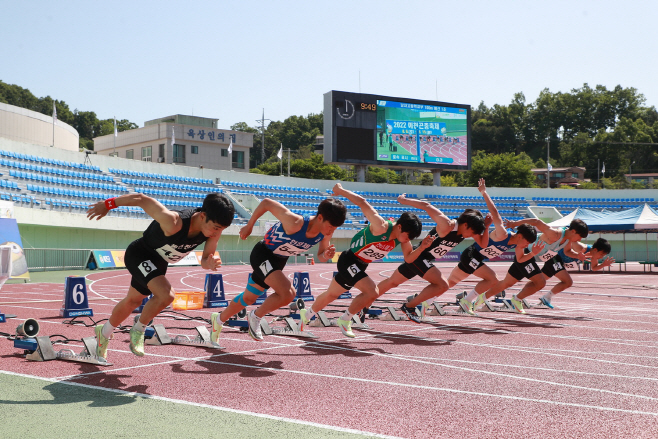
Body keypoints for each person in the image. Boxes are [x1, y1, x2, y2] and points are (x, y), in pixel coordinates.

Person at [87, 193, 235, 359]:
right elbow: (142, 200)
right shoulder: (174, 222)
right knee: (166, 295)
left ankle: (103, 333)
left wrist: (211, 262)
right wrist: (108, 204)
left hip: (158, 263)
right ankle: (138, 330)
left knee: (133, 301)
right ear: (203, 216)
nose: (217, 232)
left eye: (221, 229)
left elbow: (205, 260)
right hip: (139, 255)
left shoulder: (214, 230)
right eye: (216, 227)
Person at [210, 195, 347, 342]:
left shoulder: (325, 232)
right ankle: (255, 316)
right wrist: (250, 225)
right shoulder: (295, 223)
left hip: (278, 261)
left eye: (335, 228)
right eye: (331, 226)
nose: (331, 230)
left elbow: (320, 256)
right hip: (262, 255)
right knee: (288, 293)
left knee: (249, 297)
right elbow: (266, 203)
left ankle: (217, 321)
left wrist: (326, 255)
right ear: (320, 218)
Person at [300, 184, 429, 337]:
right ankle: (346, 318)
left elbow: (409, 258)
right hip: (349, 260)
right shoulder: (380, 226)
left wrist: (421, 248)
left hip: (361, 265)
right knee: (372, 292)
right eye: (408, 236)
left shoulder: (403, 240)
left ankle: (305, 317)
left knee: (331, 294)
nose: (408, 240)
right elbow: (362, 202)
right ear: (399, 227)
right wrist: (341, 191)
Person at [370, 193, 488, 324]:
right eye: (472, 233)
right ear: (465, 225)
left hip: (423, 259)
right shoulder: (447, 226)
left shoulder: (464, 230)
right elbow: (427, 206)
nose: (472, 236)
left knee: (392, 282)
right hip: (419, 256)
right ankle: (409, 307)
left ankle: (363, 303)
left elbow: (482, 244)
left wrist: (486, 226)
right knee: (442, 285)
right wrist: (403, 201)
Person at [447, 179, 539, 315]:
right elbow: (495, 213)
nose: (526, 246)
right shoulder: (502, 234)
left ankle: (424, 301)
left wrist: (532, 253)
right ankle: (466, 302)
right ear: (519, 236)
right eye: (526, 242)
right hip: (471, 255)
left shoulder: (518, 245)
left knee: (449, 282)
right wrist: (484, 192)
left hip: (476, 259)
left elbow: (520, 260)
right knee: (492, 279)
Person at [475, 218, 589, 314]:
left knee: (507, 283)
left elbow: (568, 251)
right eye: (580, 237)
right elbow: (537, 222)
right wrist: (514, 224)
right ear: (573, 231)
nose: (579, 240)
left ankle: (480, 299)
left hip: (531, 258)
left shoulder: (567, 240)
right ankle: (517, 300)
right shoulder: (555, 234)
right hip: (525, 255)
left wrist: (578, 256)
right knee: (540, 282)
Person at [536, 237, 614, 308]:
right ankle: (546, 297)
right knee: (568, 282)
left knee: (538, 281)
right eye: (601, 254)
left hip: (559, 262)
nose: (601, 257)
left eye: (604, 255)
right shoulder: (582, 247)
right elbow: (571, 239)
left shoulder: (594, 255)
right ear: (595, 250)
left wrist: (603, 265)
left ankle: (524, 295)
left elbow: (594, 268)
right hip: (555, 258)